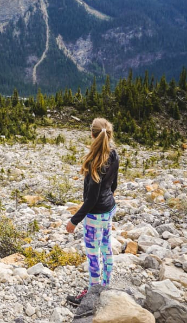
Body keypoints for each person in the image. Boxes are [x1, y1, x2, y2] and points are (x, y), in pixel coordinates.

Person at [65, 117, 119, 306]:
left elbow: (91, 199)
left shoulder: (95, 161)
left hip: (95, 214)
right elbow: (114, 185)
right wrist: (107, 202)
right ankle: (105, 285)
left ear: (92, 134)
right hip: (109, 209)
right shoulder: (114, 154)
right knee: (106, 247)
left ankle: (93, 292)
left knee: (92, 253)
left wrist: (74, 220)